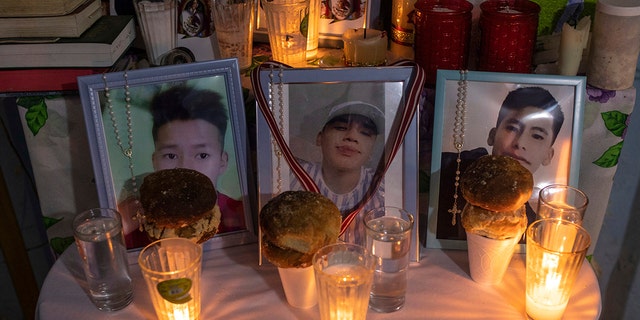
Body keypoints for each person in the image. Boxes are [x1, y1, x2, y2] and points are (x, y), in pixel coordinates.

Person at [120, 85, 245, 248]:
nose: (185, 168)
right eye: (171, 156)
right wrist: (118, 230)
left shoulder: (242, 218)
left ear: (222, 161)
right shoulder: (134, 222)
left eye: (202, 155)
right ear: (154, 161)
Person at [437, 86, 565, 241]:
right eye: (512, 128)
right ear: (492, 135)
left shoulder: (530, 228)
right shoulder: (447, 170)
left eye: (537, 136)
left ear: (548, 155)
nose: (520, 143)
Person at [291, 101, 385, 244]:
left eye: (365, 133)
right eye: (341, 127)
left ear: (372, 150)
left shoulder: (383, 188)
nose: (351, 136)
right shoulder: (293, 179)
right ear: (320, 138)